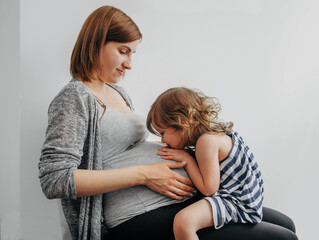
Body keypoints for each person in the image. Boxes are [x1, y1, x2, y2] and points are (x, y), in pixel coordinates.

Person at [38, 5, 298, 240]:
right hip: (135, 215)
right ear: (96, 43)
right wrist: (145, 174)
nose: (129, 64)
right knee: (282, 238)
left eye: (133, 53)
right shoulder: (73, 98)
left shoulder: (119, 93)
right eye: (123, 51)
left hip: (180, 199)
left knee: (286, 224)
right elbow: (55, 179)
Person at [146, 87, 264, 239]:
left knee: (183, 222)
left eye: (163, 133)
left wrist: (187, 159)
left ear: (182, 123)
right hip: (247, 198)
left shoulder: (206, 141)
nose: (162, 140)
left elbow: (209, 189)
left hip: (238, 202)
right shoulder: (215, 132)